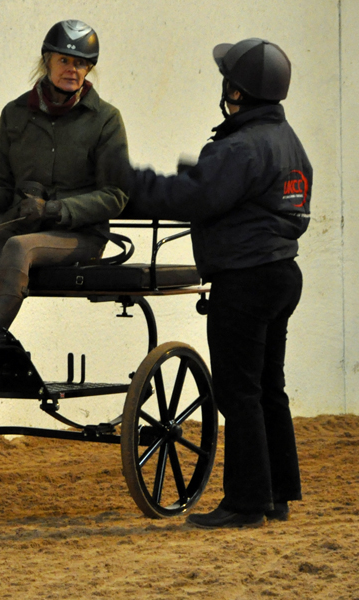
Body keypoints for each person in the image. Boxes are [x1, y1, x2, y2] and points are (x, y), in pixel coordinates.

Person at [127, 38, 312, 528]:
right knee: (270, 386)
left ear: (237, 90)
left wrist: (126, 182)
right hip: (281, 273)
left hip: (245, 279)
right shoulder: (285, 139)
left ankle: (246, 503)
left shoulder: (240, 146)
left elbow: (192, 199)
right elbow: (267, 201)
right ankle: (277, 493)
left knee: (238, 393)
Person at [0, 19, 130, 329]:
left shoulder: (106, 120)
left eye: (81, 63)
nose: (72, 69)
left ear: (89, 69)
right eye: (64, 60)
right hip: (16, 227)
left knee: (20, 248)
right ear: (47, 61)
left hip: (81, 236)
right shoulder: (14, 113)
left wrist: (56, 209)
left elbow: (115, 195)